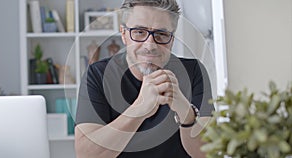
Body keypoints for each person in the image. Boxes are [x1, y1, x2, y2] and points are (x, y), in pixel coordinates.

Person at [75, 0, 214, 157]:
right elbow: (85, 154)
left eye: (161, 35)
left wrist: (185, 111)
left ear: (172, 39)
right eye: (139, 32)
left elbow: (208, 154)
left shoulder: (193, 71)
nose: (150, 45)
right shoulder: (98, 74)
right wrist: (140, 108)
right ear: (124, 34)